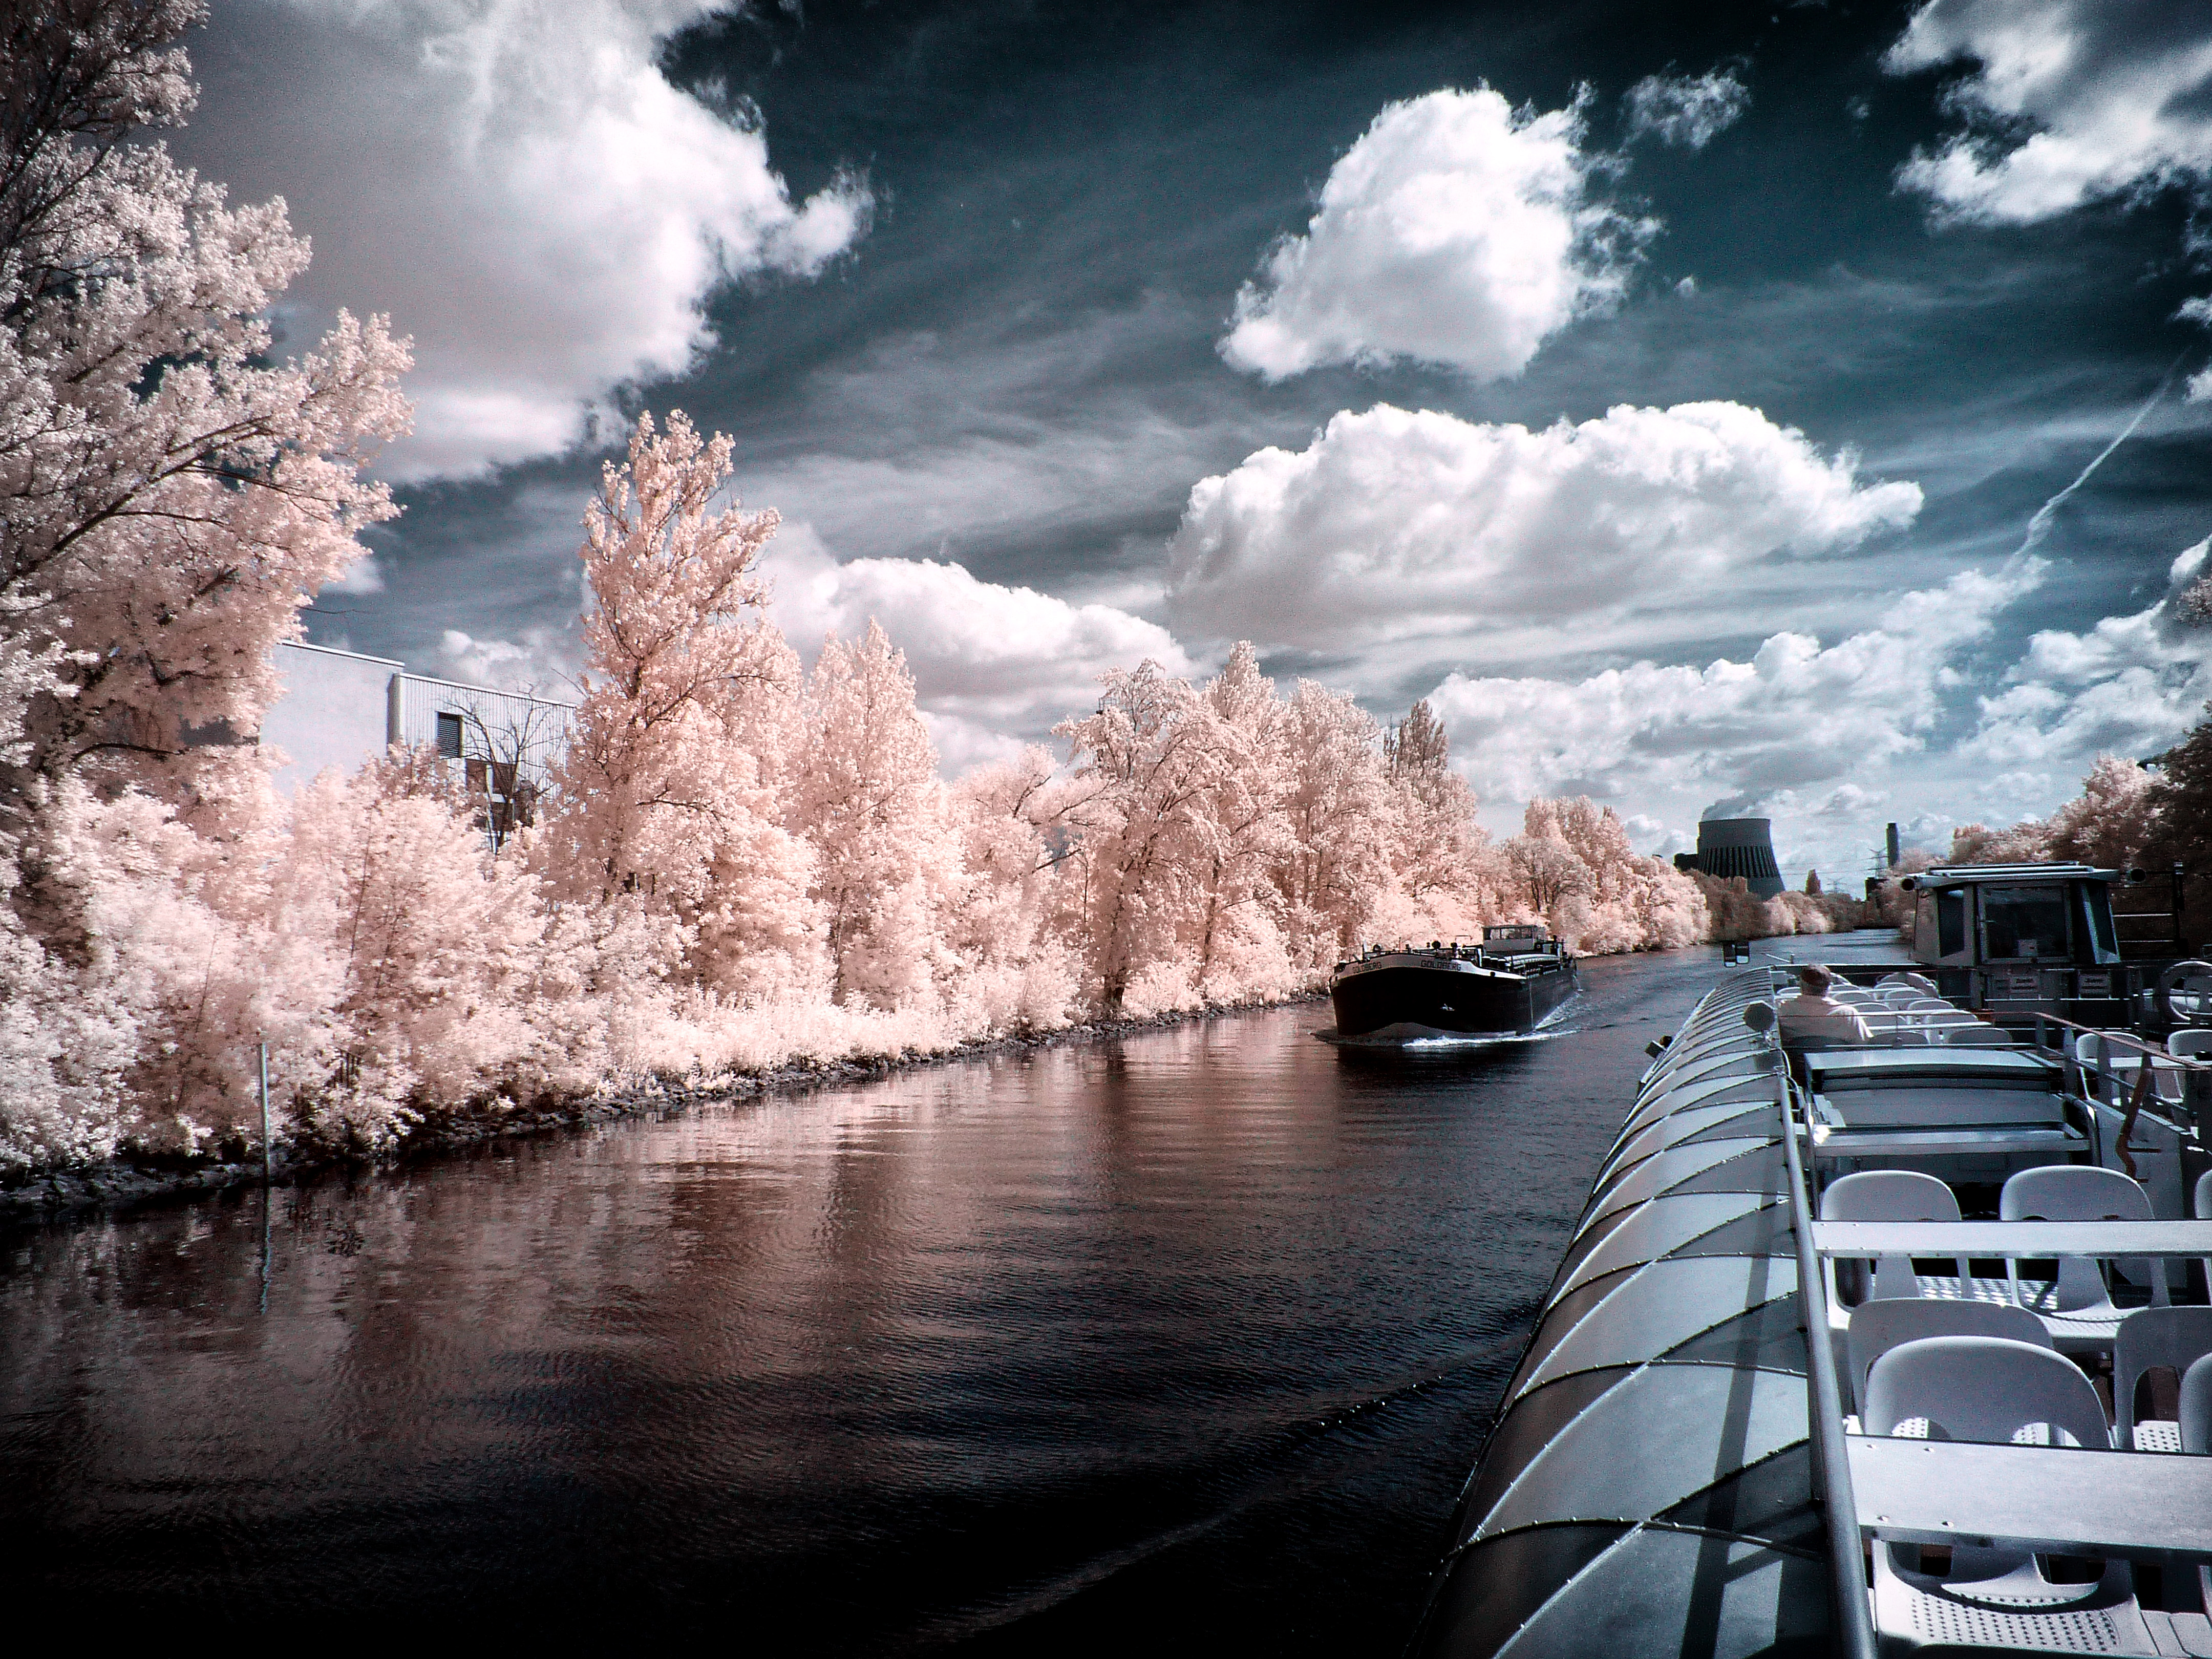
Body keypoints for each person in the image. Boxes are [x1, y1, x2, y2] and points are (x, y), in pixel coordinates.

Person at [1778, 964, 1873, 1048]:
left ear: (1801, 986)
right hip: (1838, 1064)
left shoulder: (1782, 1009)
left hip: (1795, 1065)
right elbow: (1863, 1044)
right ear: (1830, 987)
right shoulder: (1848, 1013)